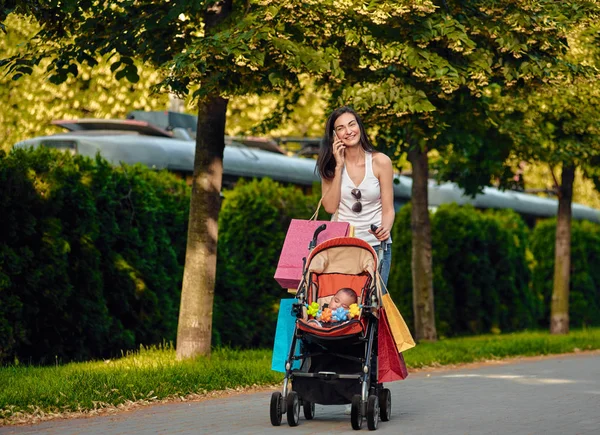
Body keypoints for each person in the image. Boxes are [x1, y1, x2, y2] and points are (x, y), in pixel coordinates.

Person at [316, 106, 395, 286]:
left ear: (360, 127)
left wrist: (385, 228)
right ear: (334, 135)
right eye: (341, 128)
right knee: (342, 304)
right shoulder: (329, 167)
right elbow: (329, 207)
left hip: (375, 246)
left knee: (373, 305)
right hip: (342, 246)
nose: (348, 131)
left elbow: (389, 209)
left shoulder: (381, 162)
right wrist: (338, 166)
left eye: (352, 124)